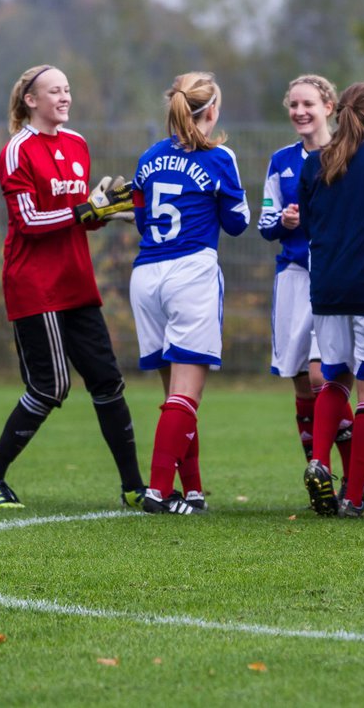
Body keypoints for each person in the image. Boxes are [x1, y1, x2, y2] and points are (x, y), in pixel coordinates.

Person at [0, 65, 145, 509]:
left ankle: (133, 488)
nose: (65, 97)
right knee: (50, 387)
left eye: (67, 90)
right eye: (55, 91)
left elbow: (76, 218)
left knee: (108, 381)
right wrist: (83, 211)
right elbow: (29, 222)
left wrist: (102, 213)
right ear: (31, 100)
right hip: (34, 284)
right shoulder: (17, 151)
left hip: (75, 281)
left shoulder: (78, 144)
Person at [131, 72, 250, 514]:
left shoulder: (148, 157)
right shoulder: (220, 156)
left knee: (174, 395)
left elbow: (143, 222)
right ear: (212, 111)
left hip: (145, 275)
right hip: (190, 272)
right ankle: (159, 492)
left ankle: (193, 491)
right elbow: (238, 224)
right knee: (187, 394)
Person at [297, 82, 364, 519]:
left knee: (334, 378)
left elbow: (309, 224)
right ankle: (354, 496)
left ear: (339, 114)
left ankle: (319, 460)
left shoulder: (315, 162)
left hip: (326, 287)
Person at [259, 75, 356, 481]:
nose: (300, 112)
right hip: (294, 279)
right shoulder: (281, 160)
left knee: (324, 375)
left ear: (329, 108)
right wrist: (284, 221)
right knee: (301, 382)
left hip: (334, 277)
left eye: (308, 104)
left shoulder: (348, 155)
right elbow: (264, 223)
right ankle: (320, 479)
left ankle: (353, 480)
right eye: (294, 104)